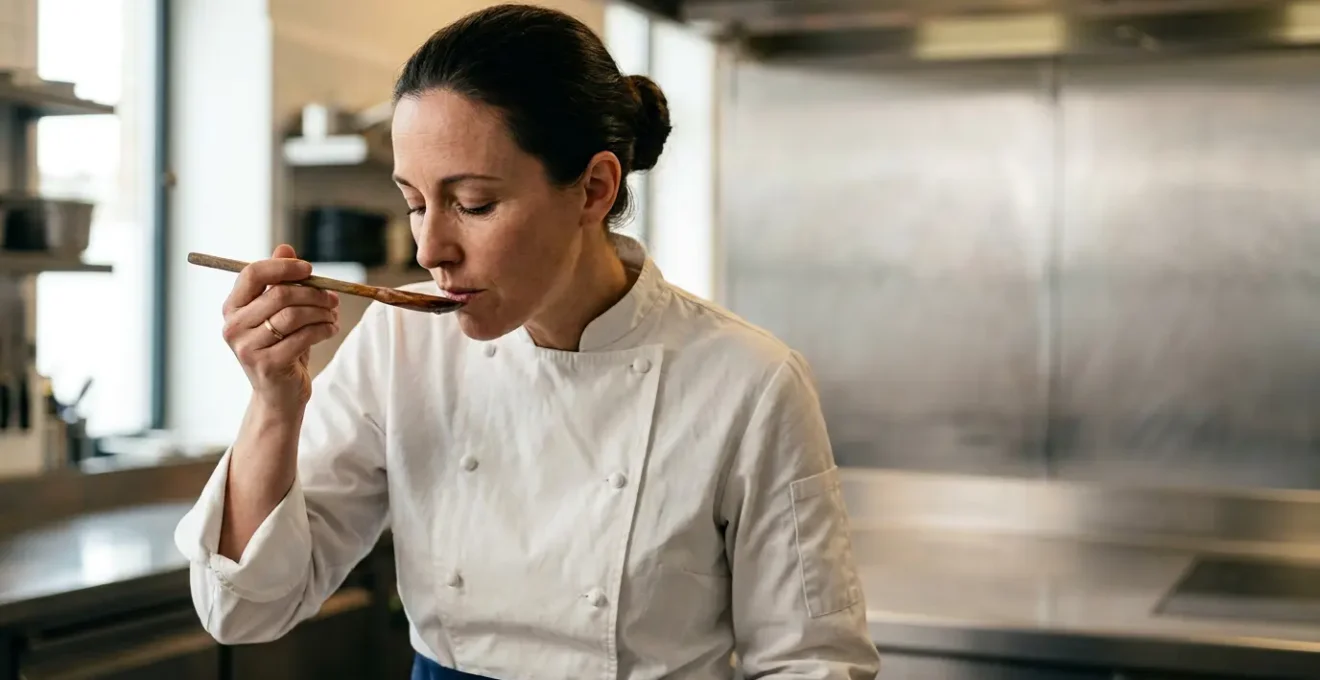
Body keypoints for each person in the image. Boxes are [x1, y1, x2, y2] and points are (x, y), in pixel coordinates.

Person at [173, 4, 880, 679]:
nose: (431, 249)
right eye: (414, 203)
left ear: (594, 188)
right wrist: (274, 401)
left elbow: (810, 662)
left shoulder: (749, 382)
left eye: (472, 204)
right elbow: (243, 609)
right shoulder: (400, 345)